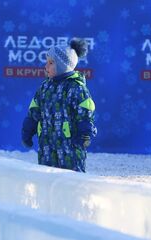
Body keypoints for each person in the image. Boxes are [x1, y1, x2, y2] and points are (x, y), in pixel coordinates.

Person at [21, 38, 97, 172]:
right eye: (46, 62)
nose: (46, 67)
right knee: (47, 178)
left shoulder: (76, 88)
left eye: (51, 63)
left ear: (63, 65)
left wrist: (85, 134)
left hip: (70, 147)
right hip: (47, 147)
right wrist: (28, 130)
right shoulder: (45, 87)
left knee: (71, 180)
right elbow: (34, 111)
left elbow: (85, 114)